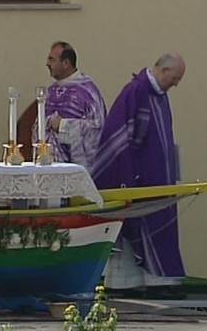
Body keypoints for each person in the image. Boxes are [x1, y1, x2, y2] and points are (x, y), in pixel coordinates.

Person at [92, 53, 186, 292]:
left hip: (159, 180)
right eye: (175, 78)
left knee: (160, 229)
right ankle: (129, 282)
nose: (176, 84)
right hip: (139, 179)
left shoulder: (160, 96)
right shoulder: (136, 92)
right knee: (138, 229)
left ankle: (157, 280)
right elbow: (120, 138)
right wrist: (127, 176)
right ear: (163, 71)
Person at [39, 41, 106, 170]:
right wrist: (46, 124)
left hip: (76, 168)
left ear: (65, 63)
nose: (47, 64)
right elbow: (40, 126)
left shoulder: (87, 92)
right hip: (49, 165)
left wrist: (64, 126)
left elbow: (98, 127)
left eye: (52, 59)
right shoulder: (50, 91)